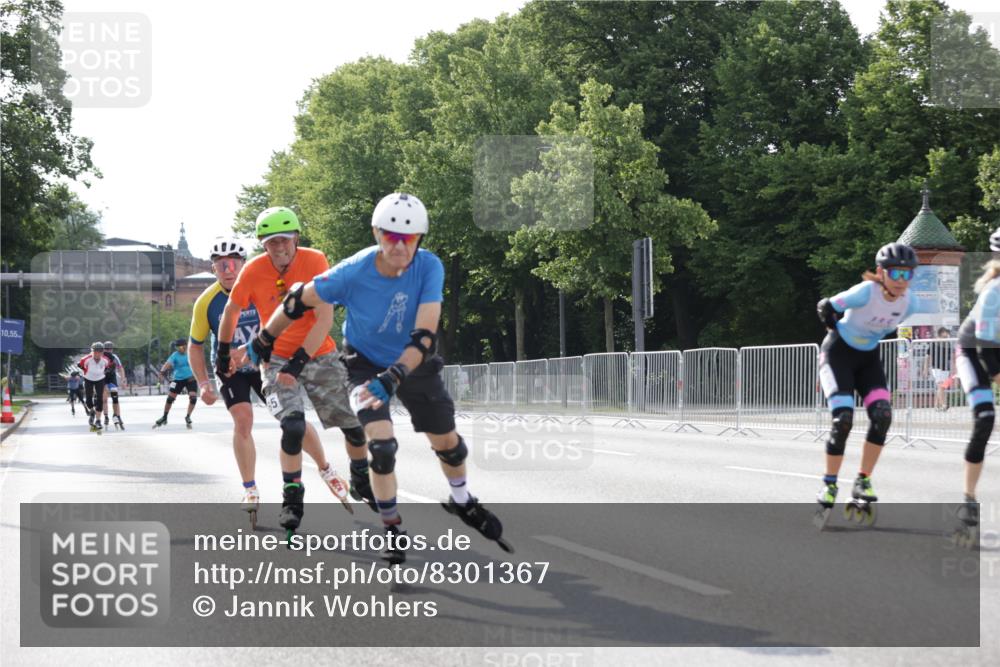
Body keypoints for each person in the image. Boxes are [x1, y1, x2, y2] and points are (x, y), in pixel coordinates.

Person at [254, 192, 510, 562]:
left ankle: (461, 500)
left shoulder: (429, 267)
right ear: (377, 233)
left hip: (414, 363)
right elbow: (297, 301)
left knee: (451, 447)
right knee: (382, 446)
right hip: (364, 365)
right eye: (391, 236)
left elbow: (424, 335)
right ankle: (393, 528)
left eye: (408, 239)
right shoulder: (353, 271)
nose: (399, 246)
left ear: (419, 238)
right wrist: (266, 337)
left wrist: (394, 377)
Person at [221, 207, 362, 534]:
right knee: (293, 424)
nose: (280, 249)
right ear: (262, 245)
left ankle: (344, 473)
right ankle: (293, 496)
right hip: (275, 358)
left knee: (350, 425)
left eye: (285, 241)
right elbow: (230, 310)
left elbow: (325, 318)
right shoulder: (253, 271)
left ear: (296, 238)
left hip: (318, 352)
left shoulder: (315, 260)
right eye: (272, 243)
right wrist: (220, 357)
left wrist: (301, 360)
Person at [189, 237, 350, 521]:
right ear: (213, 269)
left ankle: (325, 468)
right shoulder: (206, 302)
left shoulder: (259, 280)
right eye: (220, 265)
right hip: (233, 368)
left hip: (267, 361)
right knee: (242, 419)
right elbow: (195, 344)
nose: (228, 270)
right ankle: (250, 487)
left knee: (292, 421)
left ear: (244, 263)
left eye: (234, 263)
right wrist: (203, 382)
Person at [814, 242, 923, 522]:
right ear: (880, 272)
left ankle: (863, 479)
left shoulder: (911, 302)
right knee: (843, 421)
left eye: (908, 275)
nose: (902, 281)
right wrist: (831, 324)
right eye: (896, 274)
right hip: (838, 355)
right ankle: (829, 484)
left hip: (868, 361)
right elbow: (827, 305)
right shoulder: (866, 292)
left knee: (883, 416)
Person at [951, 228, 1000, 536]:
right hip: (974, 353)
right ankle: (968, 500)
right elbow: (984, 347)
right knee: (985, 418)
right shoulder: (994, 291)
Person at [153, 339, 199, 429]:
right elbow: (167, 364)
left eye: (180, 347)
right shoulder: (175, 355)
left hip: (191, 379)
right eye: (177, 347)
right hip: (178, 379)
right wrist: (162, 372)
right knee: (170, 398)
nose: (178, 349)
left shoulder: (191, 353)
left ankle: (188, 416)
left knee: (193, 398)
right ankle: (164, 417)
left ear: (185, 346)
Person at [77, 341, 110, 433]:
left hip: (100, 379)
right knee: (88, 399)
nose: (98, 354)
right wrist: (84, 370)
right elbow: (79, 365)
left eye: (100, 351)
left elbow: (108, 366)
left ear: (102, 352)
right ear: (92, 351)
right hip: (88, 379)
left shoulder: (105, 360)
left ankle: (98, 420)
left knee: (100, 399)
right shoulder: (86, 359)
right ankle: (91, 411)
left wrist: (105, 371)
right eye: (96, 351)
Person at [100, 340, 127, 429]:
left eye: (110, 349)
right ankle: (106, 416)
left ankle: (117, 415)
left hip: (112, 378)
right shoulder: (100, 357)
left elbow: (121, 368)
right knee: (104, 399)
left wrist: (123, 380)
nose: (108, 350)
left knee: (115, 396)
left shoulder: (115, 357)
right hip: (102, 378)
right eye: (106, 349)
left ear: (112, 349)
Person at [929, 327, 956, 411]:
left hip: (945, 368)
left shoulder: (947, 343)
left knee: (942, 387)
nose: (947, 334)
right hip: (936, 367)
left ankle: (936, 406)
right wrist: (925, 368)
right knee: (940, 385)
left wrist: (953, 368)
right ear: (941, 333)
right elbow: (928, 355)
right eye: (945, 332)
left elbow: (951, 356)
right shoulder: (934, 343)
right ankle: (944, 404)